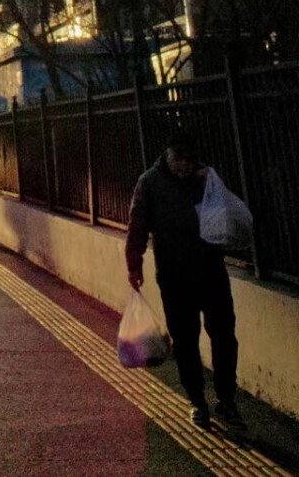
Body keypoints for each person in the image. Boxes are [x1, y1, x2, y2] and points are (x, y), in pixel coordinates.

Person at [126, 129, 245, 434]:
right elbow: (137, 225)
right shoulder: (149, 183)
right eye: (178, 157)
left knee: (224, 336)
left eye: (189, 159)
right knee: (186, 341)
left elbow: (228, 218)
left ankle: (226, 399)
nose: (184, 164)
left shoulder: (205, 179)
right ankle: (198, 401)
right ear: (166, 155)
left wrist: (211, 184)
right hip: (175, 276)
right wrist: (134, 264)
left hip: (211, 271)